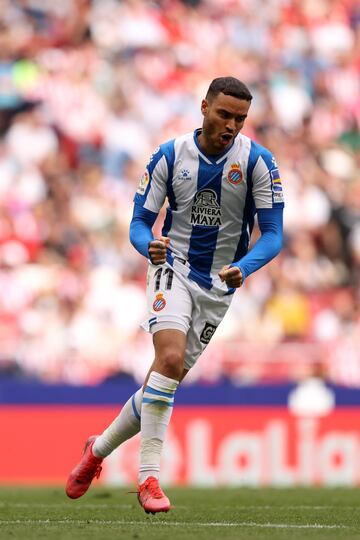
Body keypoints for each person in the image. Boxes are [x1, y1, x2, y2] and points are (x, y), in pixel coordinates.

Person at [65, 76, 284, 513]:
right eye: (224, 115)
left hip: (219, 286)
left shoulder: (259, 162)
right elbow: (139, 223)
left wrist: (244, 267)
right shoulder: (169, 156)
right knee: (167, 360)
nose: (231, 126)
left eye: (240, 118)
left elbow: (273, 234)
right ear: (204, 107)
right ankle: (149, 478)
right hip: (173, 268)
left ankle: (97, 451)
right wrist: (148, 244)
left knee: (160, 386)